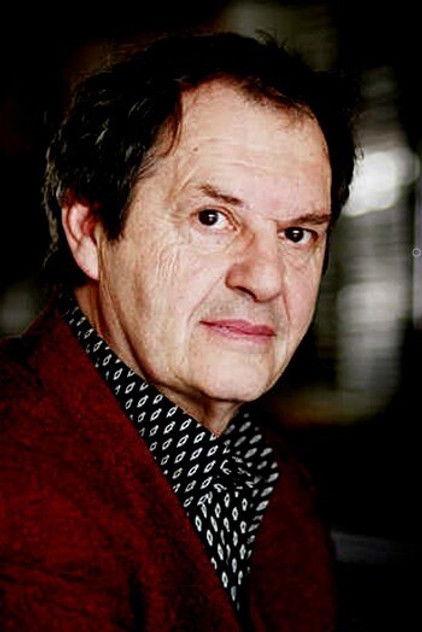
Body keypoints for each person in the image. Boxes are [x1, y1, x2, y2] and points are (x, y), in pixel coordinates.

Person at [0, 32, 355, 631]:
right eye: (212, 218)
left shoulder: (269, 473)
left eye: (297, 234)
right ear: (89, 230)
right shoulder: (19, 485)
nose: (266, 279)